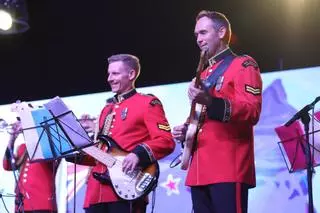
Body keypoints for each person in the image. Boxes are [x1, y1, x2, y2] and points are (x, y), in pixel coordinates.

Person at [172, 10, 262, 213]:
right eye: (196, 35)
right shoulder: (203, 73)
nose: (198, 39)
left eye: (203, 33)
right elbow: (200, 122)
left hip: (229, 169)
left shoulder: (243, 65)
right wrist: (186, 130)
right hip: (199, 172)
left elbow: (252, 111)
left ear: (221, 32)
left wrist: (211, 102)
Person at [75, 54, 175, 213]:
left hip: (127, 188)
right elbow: (100, 154)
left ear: (131, 74)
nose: (109, 78)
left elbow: (166, 141)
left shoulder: (147, 103)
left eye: (115, 74)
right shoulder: (105, 111)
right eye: (109, 74)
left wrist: (138, 154)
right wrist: (71, 152)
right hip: (96, 193)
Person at [2, 120, 58, 213]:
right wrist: (12, 138)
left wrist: (31, 129)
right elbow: (7, 166)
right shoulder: (22, 147)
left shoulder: (47, 145)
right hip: (22, 204)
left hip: (42, 204)